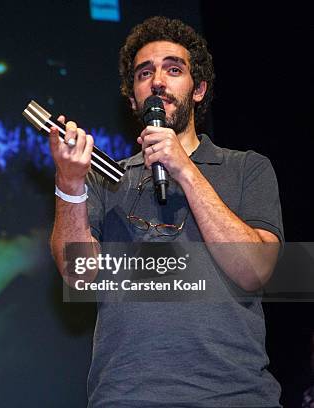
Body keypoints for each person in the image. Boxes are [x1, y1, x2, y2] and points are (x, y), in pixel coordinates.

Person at [49, 16, 283, 407]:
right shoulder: (107, 179)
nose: (158, 81)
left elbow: (255, 270)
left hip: (235, 396)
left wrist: (185, 170)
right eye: (145, 74)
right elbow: (79, 277)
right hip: (126, 397)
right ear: (133, 98)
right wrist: (70, 182)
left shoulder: (247, 168)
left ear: (198, 89)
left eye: (173, 69)